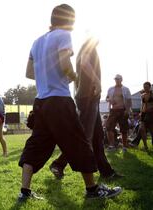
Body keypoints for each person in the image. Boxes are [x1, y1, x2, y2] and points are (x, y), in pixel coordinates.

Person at [17, 4, 121, 201]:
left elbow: (29, 73)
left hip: (41, 102)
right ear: (69, 21)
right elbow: (66, 64)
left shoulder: (37, 41)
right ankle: (92, 190)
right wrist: (73, 78)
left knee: (36, 145)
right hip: (60, 101)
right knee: (79, 142)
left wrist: (47, 75)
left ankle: (25, 192)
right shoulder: (64, 35)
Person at [49, 37, 122, 180]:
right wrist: (97, 82)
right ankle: (58, 164)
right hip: (88, 97)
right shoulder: (89, 47)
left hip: (87, 97)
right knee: (84, 137)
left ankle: (106, 171)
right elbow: (84, 63)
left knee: (97, 137)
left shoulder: (83, 48)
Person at [106, 74, 132, 152]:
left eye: (118, 79)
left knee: (123, 129)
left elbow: (129, 100)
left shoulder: (125, 89)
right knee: (109, 127)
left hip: (122, 110)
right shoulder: (110, 89)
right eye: (115, 79)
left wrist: (127, 110)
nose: (116, 80)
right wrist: (110, 100)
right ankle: (112, 145)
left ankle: (124, 146)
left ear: (121, 79)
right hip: (113, 110)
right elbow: (107, 98)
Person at [138, 82, 153, 150]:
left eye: (147, 87)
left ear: (150, 87)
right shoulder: (142, 95)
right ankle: (145, 146)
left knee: (151, 130)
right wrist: (140, 112)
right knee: (141, 129)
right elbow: (142, 105)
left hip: (151, 113)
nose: (145, 88)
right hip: (143, 114)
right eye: (144, 87)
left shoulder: (152, 94)